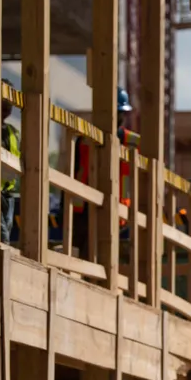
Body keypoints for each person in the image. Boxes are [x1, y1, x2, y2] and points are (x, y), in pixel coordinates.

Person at [72, 87, 134, 257]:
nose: (119, 117)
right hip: (83, 209)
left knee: (106, 257)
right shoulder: (84, 138)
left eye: (121, 113)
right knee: (82, 256)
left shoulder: (132, 142)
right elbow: (75, 170)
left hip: (118, 210)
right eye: (117, 112)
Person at [0, 79, 21, 244]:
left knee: (5, 233)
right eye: (4, 101)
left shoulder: (12, 132)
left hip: (8, 194)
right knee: (1, 238)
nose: (7, 106)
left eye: (10, 102)